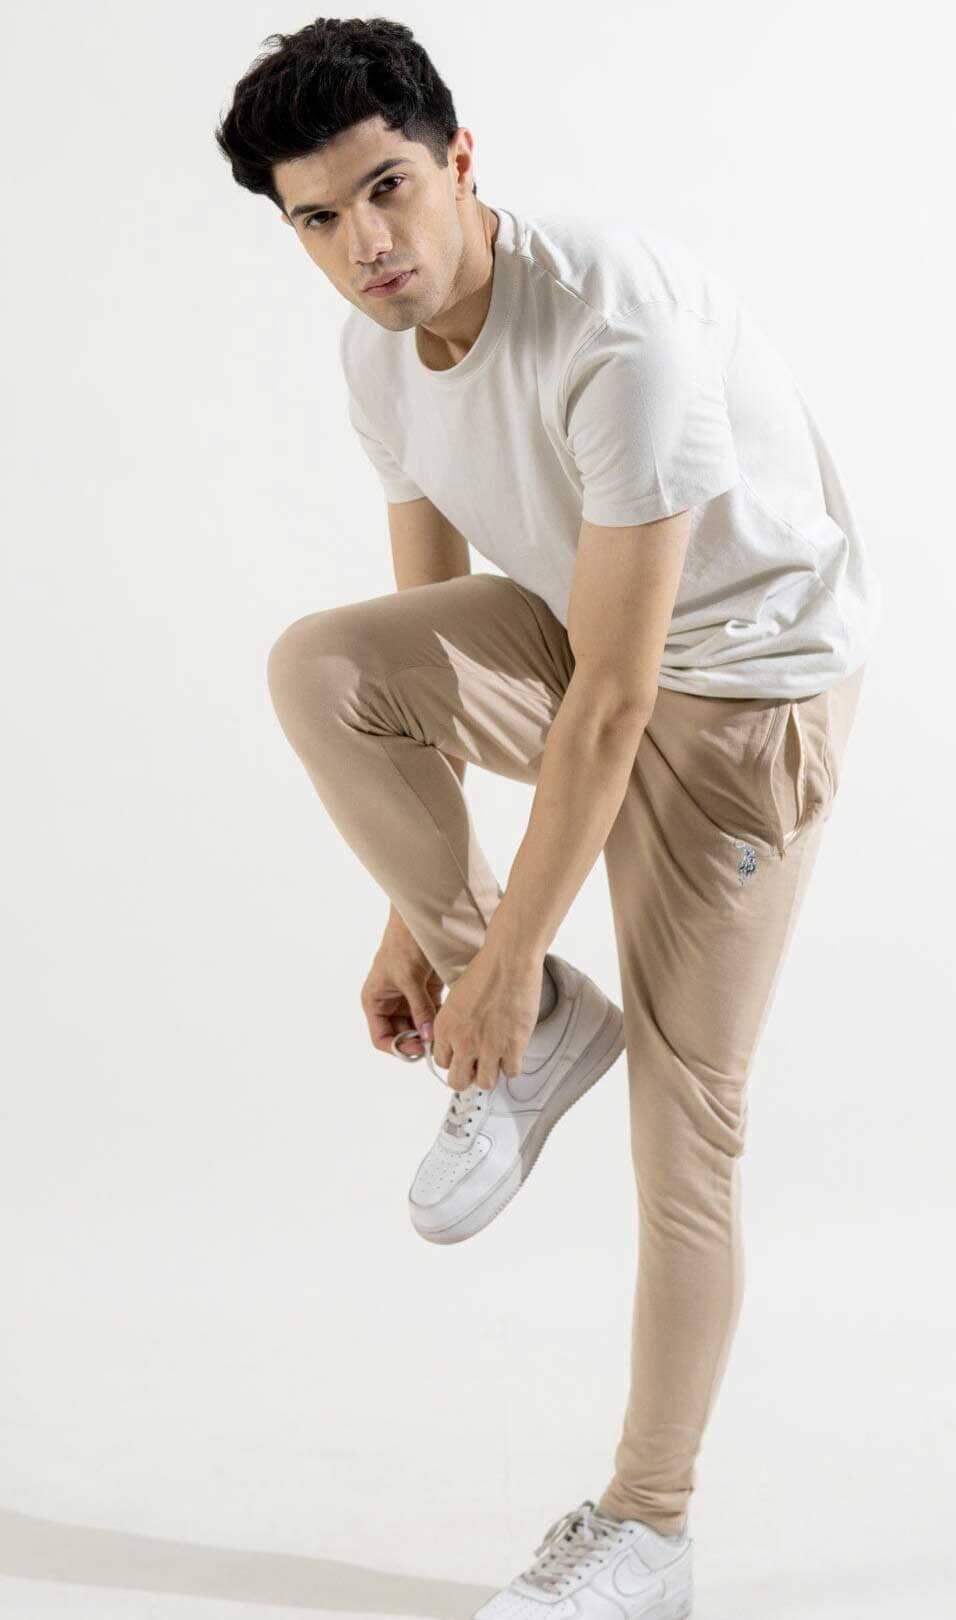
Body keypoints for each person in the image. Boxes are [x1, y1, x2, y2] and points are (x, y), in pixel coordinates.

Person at [216, 17, 883, 1615]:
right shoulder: (378, 351)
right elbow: (426, 631)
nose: (365, 245)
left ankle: (648, 1531)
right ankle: (547, 1032)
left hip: (744, 697)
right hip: (586, 641)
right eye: (319, 218)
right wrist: (424, 918)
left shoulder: (612, 327)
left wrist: (507, 954)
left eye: (388, 188)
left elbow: (617, 702)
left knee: (686, 1115)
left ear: (460, 159)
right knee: (323, 668)